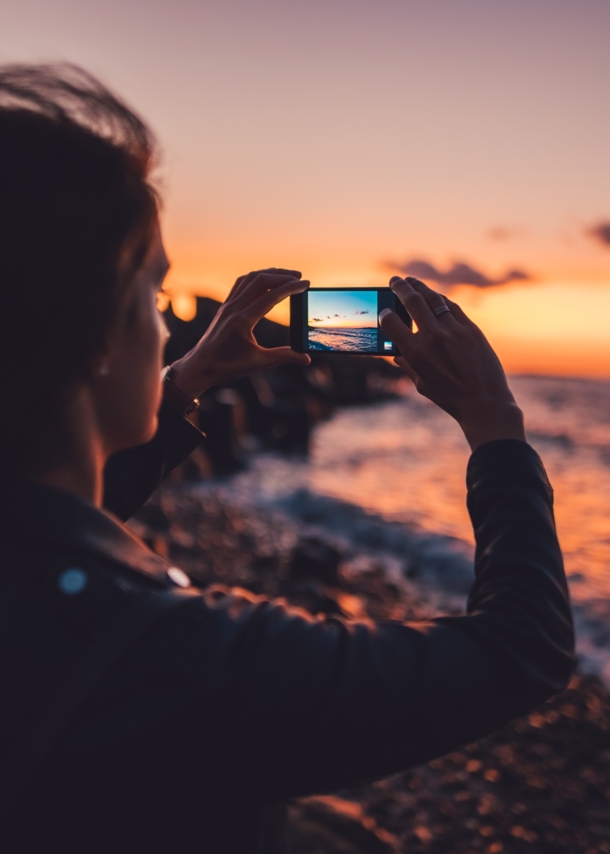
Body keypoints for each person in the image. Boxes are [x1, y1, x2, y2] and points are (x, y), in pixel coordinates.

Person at [0, 64, 574, 853]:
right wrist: (495, 426)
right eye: (154, 296)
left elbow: (54, 511)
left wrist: (192, 379)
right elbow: (521, 652)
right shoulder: (172, 659)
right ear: (94, 331)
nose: (169, 327)